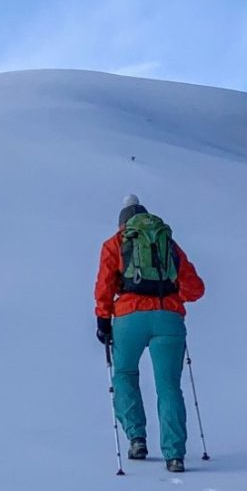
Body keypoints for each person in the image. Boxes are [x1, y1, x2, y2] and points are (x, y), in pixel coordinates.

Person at [94, 194, 205, 472]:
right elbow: (196, 289)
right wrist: (170, 296)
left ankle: (137, 438)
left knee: (125, 374)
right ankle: (175, 455)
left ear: (122, 223)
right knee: (169, 386)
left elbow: (105, 286)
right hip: (169, 318)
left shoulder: (115, 244)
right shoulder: (168, 245)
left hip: (129, 318)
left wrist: (103, 319)